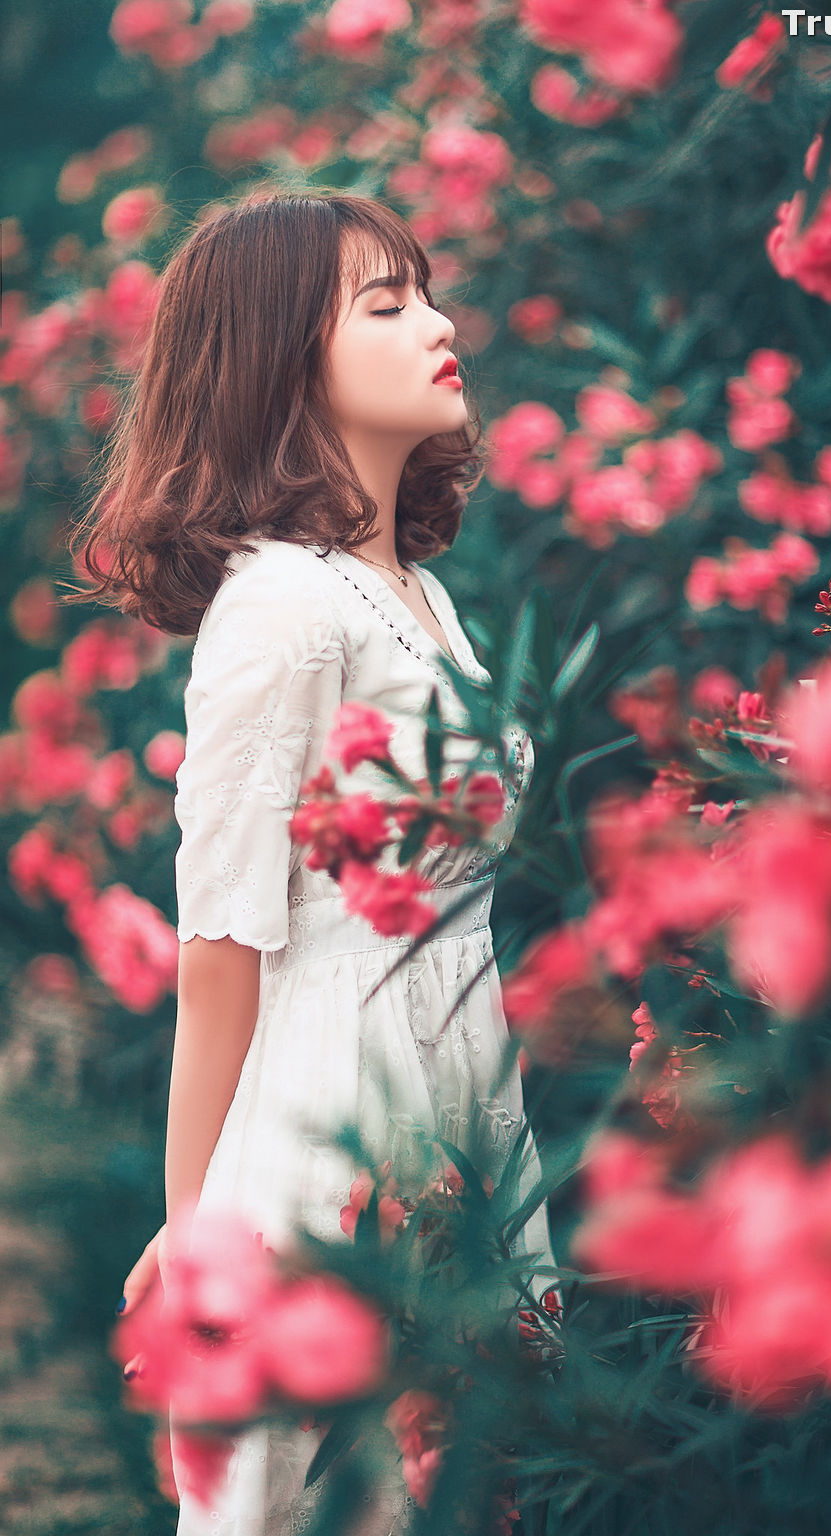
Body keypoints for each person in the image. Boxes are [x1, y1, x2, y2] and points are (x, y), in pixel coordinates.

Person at [67, 189, 555, 1536]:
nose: (440, 326)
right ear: (283, 361)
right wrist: (201, 1231)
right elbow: (223, 944)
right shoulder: (280, 605)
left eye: (428, 293)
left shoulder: (420, 598)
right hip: (334, 1105)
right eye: (386, 307)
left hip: (459, 1079)